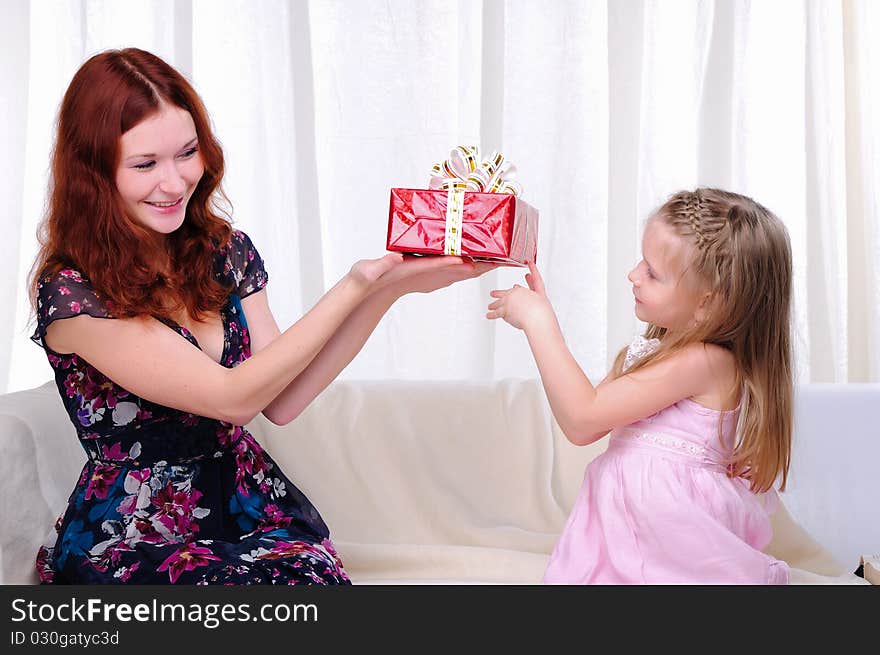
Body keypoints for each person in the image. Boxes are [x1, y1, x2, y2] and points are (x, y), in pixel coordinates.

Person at [28, 47, 496, 585]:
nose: (176, 182)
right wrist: (356, 283)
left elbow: (282, 398)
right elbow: (234, 398)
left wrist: (390, 289)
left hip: (248, 504)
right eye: (144, 164)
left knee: (312, 584)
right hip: (136, 533)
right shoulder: (74, 293)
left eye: (187, 153)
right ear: (94, 174)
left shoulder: (223, 251)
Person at [486, 188, 793, 584]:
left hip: (672, 544)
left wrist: (539, 324)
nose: (633, 275)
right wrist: (545, 317)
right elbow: (590, 418)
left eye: (652, 272)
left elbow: (582, 418)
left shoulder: (708, 361)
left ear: (706, 303)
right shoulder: (663, 350)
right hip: (628, 536)